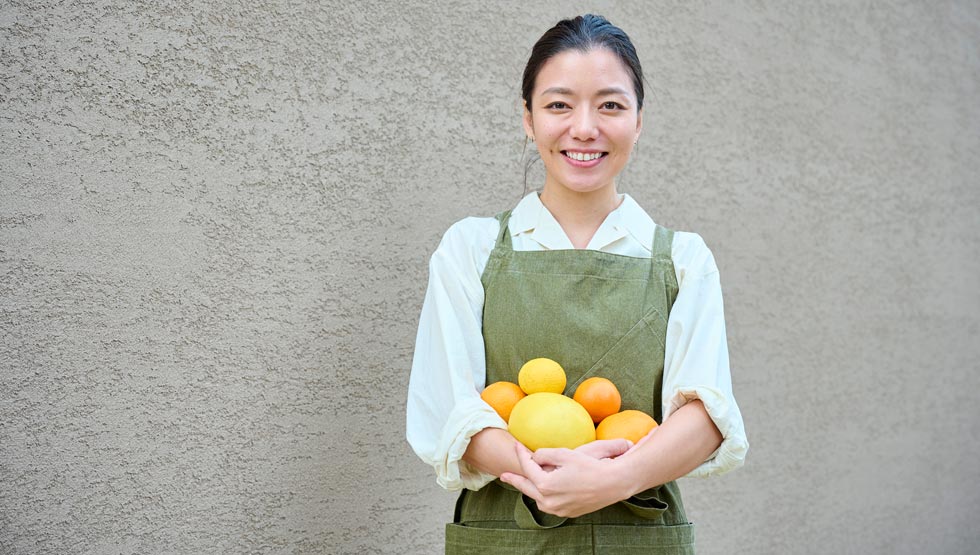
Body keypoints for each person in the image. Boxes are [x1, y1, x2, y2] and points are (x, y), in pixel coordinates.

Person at [406, 14, 748, 554]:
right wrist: (546, 476)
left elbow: (706, 417)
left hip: (638, 536)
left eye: (610, 104)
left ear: (639, 121)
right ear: (527, 117)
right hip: (504, 537)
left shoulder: (683, 260)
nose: (584, 128)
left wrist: (611, 480)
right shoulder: (470, 249)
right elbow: (447, 404)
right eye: (559, 104)